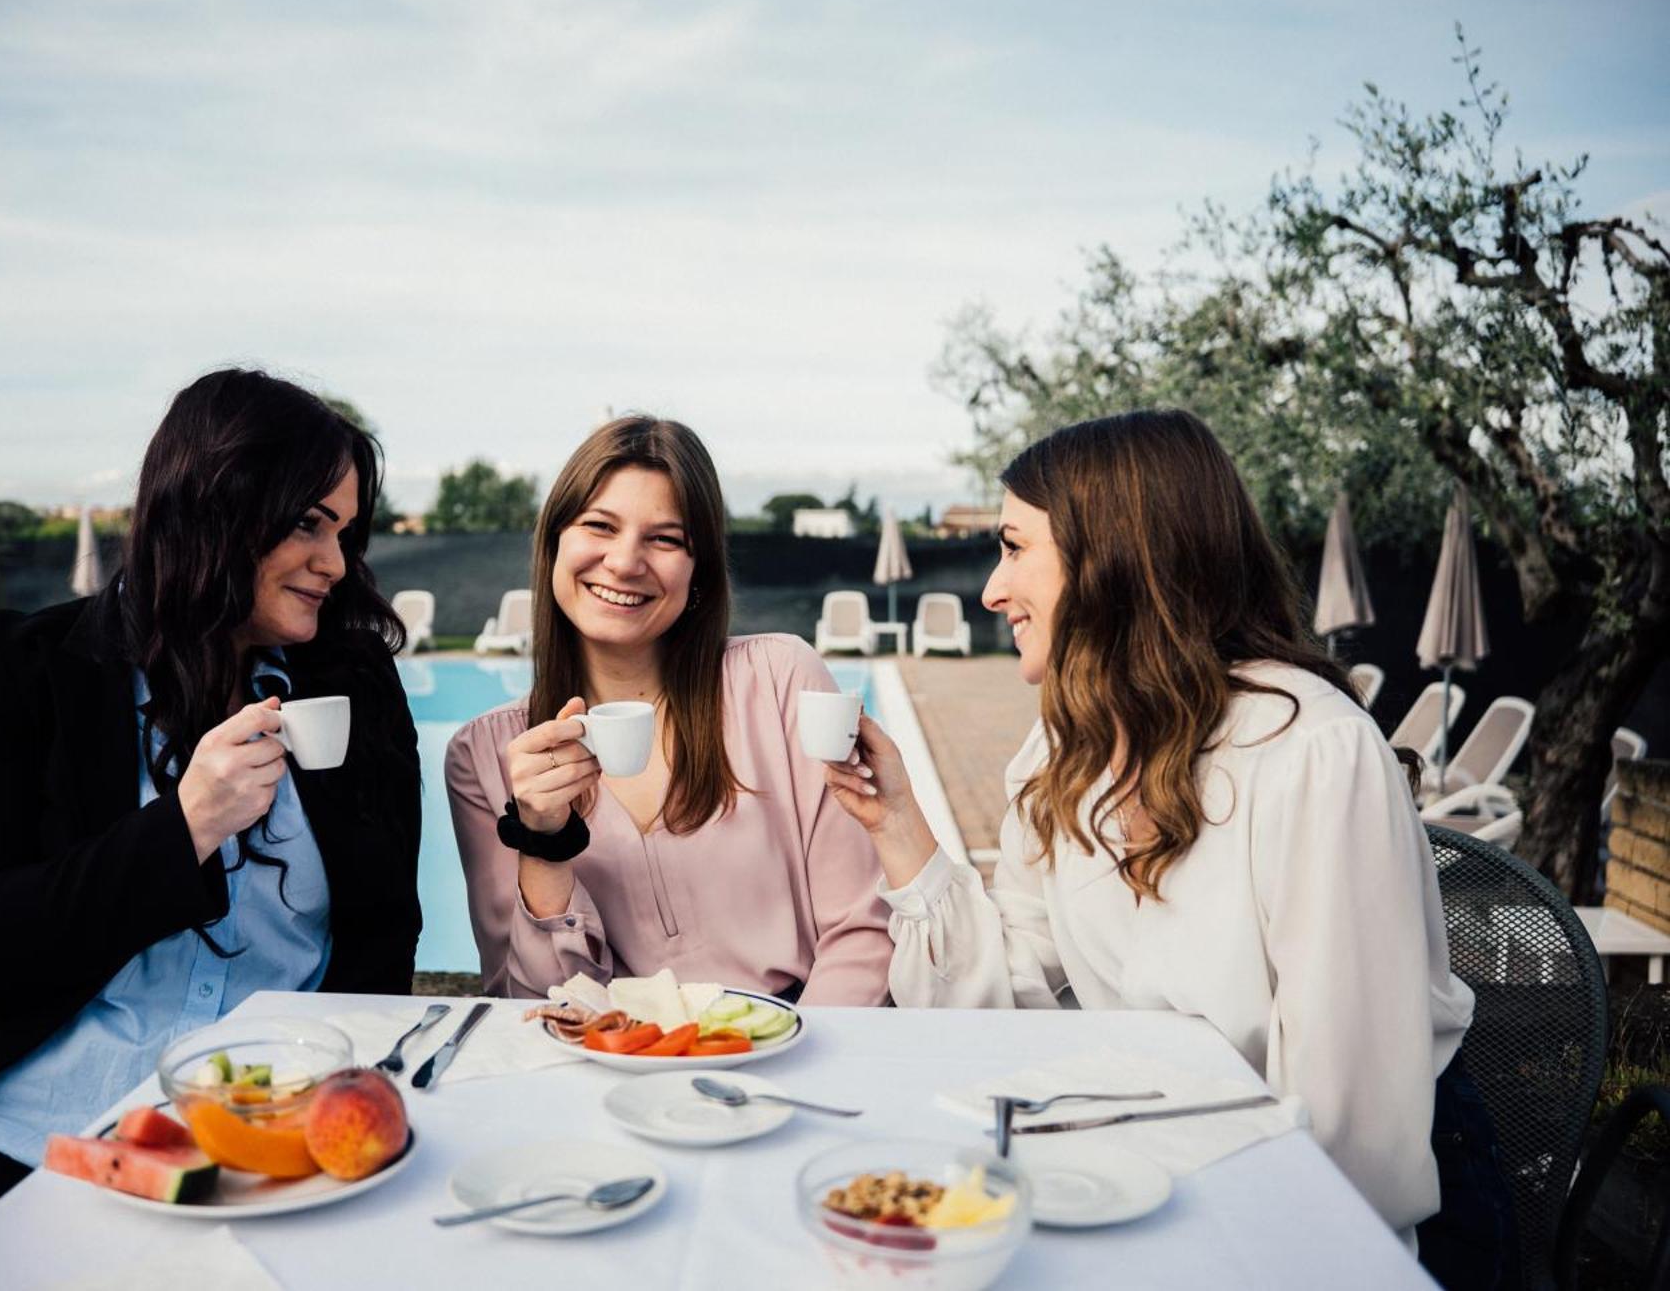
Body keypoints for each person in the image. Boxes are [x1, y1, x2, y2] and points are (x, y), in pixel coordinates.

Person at [823, 410, 1511, 1281]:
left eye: (1012, 547)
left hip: (1351, 1207)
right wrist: (900, 828)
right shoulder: (1065, 749)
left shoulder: (1313, 753)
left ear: (1114, 554)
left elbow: (1353, 1129)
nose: (991, 591)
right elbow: (1002, 996)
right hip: (1165, 1159)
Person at [0, 369, 421, 1278]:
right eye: (308, 523)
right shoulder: (15, 670)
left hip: (269, 1133)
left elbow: (381, 925)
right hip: (19, 1121)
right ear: (213, 510)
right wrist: (183, 828)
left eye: (345, 530)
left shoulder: (350, 683)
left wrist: (346, 1102)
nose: (336, 561)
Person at [446, 415, 891, 1005]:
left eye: (665, 538)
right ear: (555, 542)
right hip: (610, 1071)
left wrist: (782, 1068)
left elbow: (862, 933)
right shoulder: (482, 755)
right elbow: (532, 1001)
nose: (626, 563)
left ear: (697, 569)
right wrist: (542, 841)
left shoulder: (783, 680)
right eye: (599, 526)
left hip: (797, 1056)